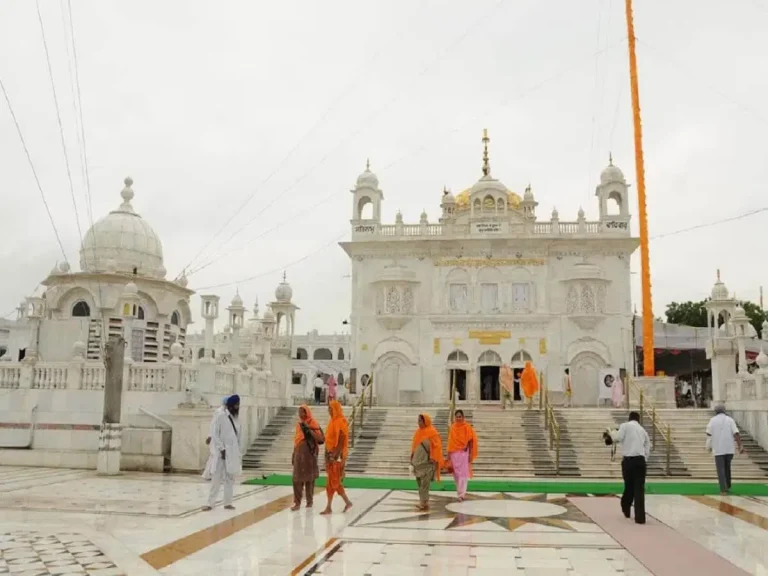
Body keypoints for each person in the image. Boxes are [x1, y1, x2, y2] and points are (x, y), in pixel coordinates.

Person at [610, 411, 650, 524]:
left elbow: (617, 438)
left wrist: (612, 432)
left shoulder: (625, 426)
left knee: (629, 486)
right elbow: (647, 446)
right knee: (639, 489)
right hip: (640, 461)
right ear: (638, 420)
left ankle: (625, 506)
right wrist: (644, 458)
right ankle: (640, 517)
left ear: (629, 418)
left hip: (628, 460)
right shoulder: (643, 430)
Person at [203, 395, 242, 511]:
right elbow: (215, 433)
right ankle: (210, 503)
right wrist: (221, 448)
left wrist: (238, 451)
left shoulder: (237, 418)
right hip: (222, 453)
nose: (237, 407)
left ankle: (228, 503)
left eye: (238, 404)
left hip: (233, 452)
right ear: (230, 405)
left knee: (230, 477)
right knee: (217, 477)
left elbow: (239, 436)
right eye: (236, 404)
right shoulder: (221, 416)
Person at [321, 400, 353, 514]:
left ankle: (330, 506)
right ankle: (346, 503)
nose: (329, 410)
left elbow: (341, 439)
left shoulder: (340, 421)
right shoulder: (332, 422)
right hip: (331, 455)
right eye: (328, 408)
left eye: (331, 408)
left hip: (337, 456)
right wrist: (327, 454)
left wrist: (334, 455)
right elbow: (329, 439)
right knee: (333, 481)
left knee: (333, 482)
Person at [292, 404, 324, 511]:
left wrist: (309, 430)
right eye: (299, 411)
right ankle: (297, 502)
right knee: (296, 479)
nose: (300, 414)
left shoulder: (313, 423)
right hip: (299, 455)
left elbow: (320, 439)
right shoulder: (299, 425)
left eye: (302, 411)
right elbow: (296, 440)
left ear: (306, 412)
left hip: (309, 455)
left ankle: (309, 502)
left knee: (309, 479)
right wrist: (294, 454)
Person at [706, 405, 744, 495]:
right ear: (724, 411)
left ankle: (723, 489)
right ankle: (728, 485)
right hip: (729, 448)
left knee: (721, 469)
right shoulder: (730, 420)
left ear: (716, 411)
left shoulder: (712, 420)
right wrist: (740, 446)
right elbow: (736, 433)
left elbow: (708, 432)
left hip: (718, 449)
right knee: (727, 467)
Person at [410, 413, 444, 511]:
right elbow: (414, 447)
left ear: (425, 421)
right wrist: (411, 459)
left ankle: (422, 502)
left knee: (425, 483)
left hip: (427, 463)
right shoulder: (418, 432)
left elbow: (437, 446)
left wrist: (433, 458)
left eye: (420, 420)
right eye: (418, 420)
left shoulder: (432, 432)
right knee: (420, 483)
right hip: (417, 462)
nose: (418, 422)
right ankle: (424, 500)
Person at [447, 409, 478, 501]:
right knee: (456, 474)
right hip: (454, 454)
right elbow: (450, 441)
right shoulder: (452, 427)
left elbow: (471, 441)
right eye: (457, 417)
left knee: (463, 474)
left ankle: (462, 494)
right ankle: (459, 492)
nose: (458, 418)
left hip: (464, 453)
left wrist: (470, 454)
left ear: (463, 417)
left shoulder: (467, 427)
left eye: (460, 416)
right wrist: (448, 455)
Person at [202, 397, 229, 481]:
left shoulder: (226, 412)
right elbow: (213, 425)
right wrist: (210, 436)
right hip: (216, 438)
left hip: (222, 438)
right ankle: (214, 474)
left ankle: (207, 474)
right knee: (216, 456)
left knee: (214, 456)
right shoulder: (219, 412)